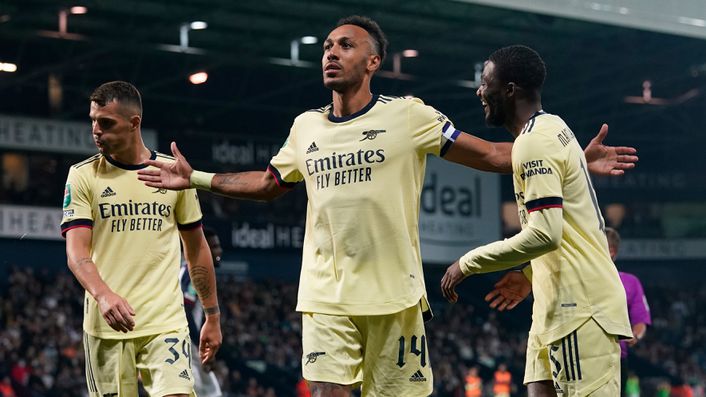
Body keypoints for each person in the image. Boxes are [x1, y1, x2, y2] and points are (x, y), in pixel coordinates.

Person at [137, 17, 636, 397]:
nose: (331, 53)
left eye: (346, 46)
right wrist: (196, 177)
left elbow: (489, 154)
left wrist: (568, 157)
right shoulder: (305, 126)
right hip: (326, 297)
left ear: (373, 62)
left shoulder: (409, 115)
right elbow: (269, 183)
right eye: (328, 47)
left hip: (396, 298)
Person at [441, 45, 632, 396]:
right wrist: (531, 274)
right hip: (553, 306)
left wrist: (467, 263)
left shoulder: (534, 143)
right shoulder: (555, 126)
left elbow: (545, 234)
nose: (479, 91)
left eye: (486, 83)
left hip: (580, 307)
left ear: (509, 90)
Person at [61, 81, 222, 397]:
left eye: (106, 123)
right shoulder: (82, 176)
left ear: (134, 123)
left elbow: (196, 249)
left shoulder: (173, 174)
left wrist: (213, 315)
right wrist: (104, 295)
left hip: (166, 323)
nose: (96, 131)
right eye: (93, 120)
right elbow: (76, 252)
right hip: (106, 327)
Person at [605, 227, 651, 397]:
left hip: (615, 358)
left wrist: (636, 335)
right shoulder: (580, 278)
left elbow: (641, 319)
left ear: (611, 251)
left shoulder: (630, 282)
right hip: (581, 353)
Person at [180, 227, 224, 397]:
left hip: (189, 342)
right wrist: (201, 344)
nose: (219, 250)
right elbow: (185, 306)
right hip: (189, 344)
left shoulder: (189, 270)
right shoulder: (194, 273)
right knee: (208, 392)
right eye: (213, 246)